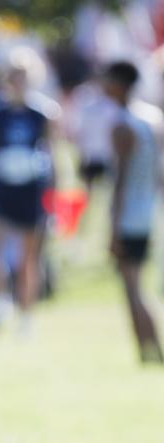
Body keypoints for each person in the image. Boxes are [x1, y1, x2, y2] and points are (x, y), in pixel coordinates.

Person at [0, 58, 59, 337]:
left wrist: (54, 198)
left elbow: (51, 156)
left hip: (31, 189)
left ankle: (27, 317)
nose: (18, 83)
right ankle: (0, 304)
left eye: (23, 77)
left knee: (28, 258)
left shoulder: (42, 113)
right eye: (13, 77)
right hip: (3, 188)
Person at [101, 60, 164, 363]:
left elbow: (121, 181)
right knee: (141, 284)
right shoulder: (153, 118)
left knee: (133, 287)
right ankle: (150, 349)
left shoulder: (123, 124)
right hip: (149, 209)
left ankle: (148, 351)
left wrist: (113, 226)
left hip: (129, 214)